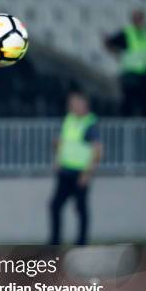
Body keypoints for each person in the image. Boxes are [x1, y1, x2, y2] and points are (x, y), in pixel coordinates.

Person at [49, 91, 102, 245]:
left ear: (83, 105)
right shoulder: (69, 120)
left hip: (80, 173)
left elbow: (97, 151)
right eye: (70, 104)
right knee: (55, 206)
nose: (71, 107)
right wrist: (57, 158)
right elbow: (64, 143)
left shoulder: (90, 124)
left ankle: (81, 242)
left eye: (74, 104)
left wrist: (87, 173)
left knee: (81, 208)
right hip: (65, 171)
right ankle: (54, 241)